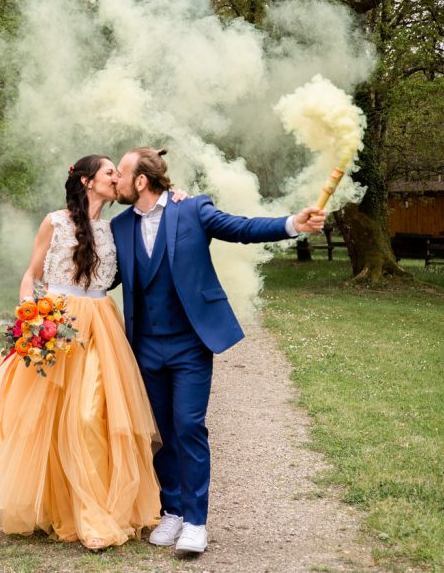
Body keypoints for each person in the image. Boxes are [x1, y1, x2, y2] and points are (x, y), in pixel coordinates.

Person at [111, 147, 326, 555]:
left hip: (190, 343)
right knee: (160, 432)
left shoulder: (192, 209)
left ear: (140, 180)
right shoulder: (119, 226)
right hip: (145, 347)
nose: (116, 181)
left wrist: (292, 224)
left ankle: (195, 522)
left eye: (121, 173)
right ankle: (172, 511)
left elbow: (242, 228)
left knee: (189, 426)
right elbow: (105, 275)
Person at [0, 154, 164, 551]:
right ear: (87, 181)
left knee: (91, 416)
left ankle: (96, 512)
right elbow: (31, 275)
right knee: (51, 420)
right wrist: (30, 315)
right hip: (58, 322)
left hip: (101, 326)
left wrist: (175, 196)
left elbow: (155, 215)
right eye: (110, 172)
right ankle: (62, 508)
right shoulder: (54, 222)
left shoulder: (116, 228)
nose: (117, 178)